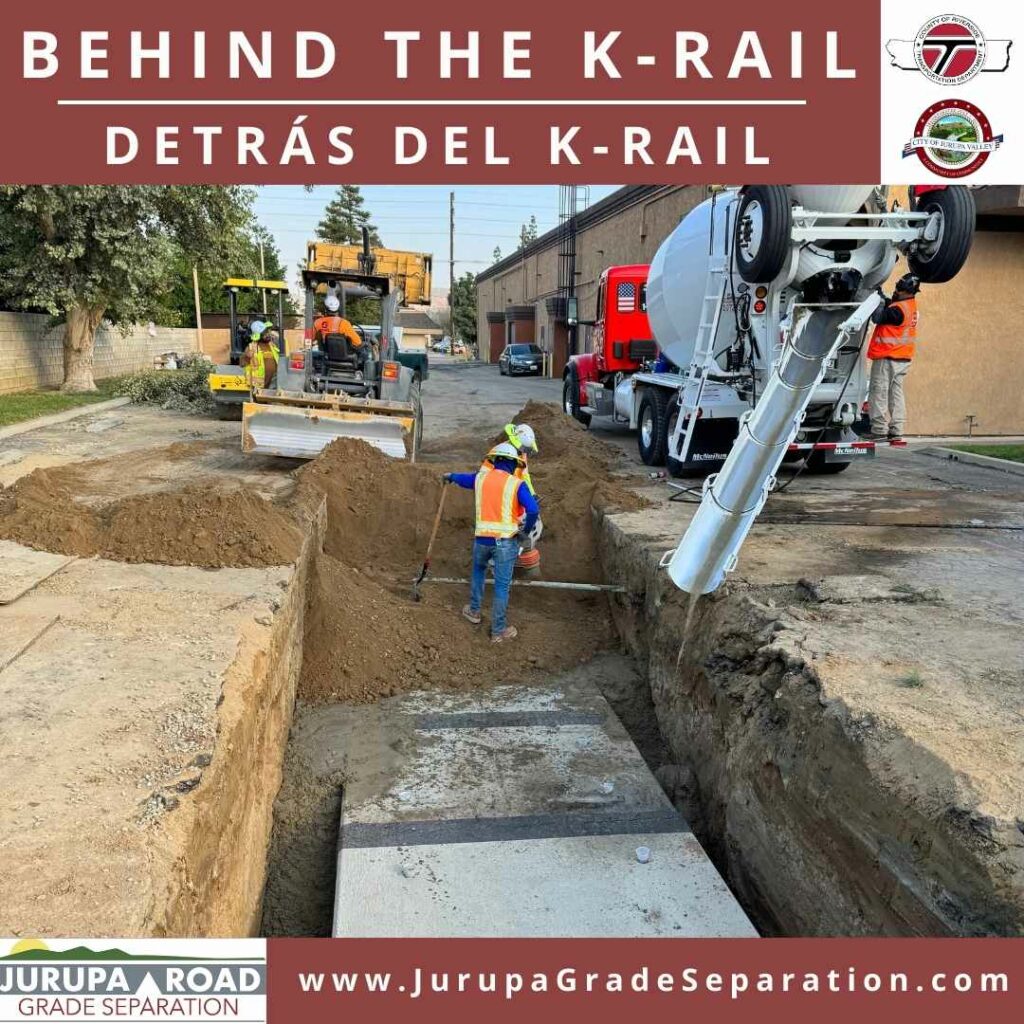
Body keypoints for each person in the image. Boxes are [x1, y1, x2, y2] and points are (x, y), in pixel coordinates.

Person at [443, 442, 540, 643]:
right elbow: (533, 510)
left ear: (495, 461)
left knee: (478, 572)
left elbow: (463, 479)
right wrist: (526, 531)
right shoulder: (516, 484)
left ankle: (474, 611)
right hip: (505, 543)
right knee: (501, 586)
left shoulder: (480, 479)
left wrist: (450, 476)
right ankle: (498, 631)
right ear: (513, 464)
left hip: (481, 540)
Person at [866, 272, 920, 445]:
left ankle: (879, 430)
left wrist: (875, 301)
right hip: (902, 357)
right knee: (896, 394)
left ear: (907, 291)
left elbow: (878, 317)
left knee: (879, 391)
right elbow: (892, 307)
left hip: (887, 356)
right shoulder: (909, 306)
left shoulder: (897, 310)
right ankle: (896, 430)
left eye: (899, 288)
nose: (896, 290)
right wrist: (881, 296)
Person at [240, 320, 279, 391]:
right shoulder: (251, 347)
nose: (268, 334)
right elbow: (242, 364)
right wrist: (247, 357)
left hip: (273, 385)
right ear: (259, 335)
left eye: (268, 331)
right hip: (259, 387)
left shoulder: (272, 345)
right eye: (265, 333)